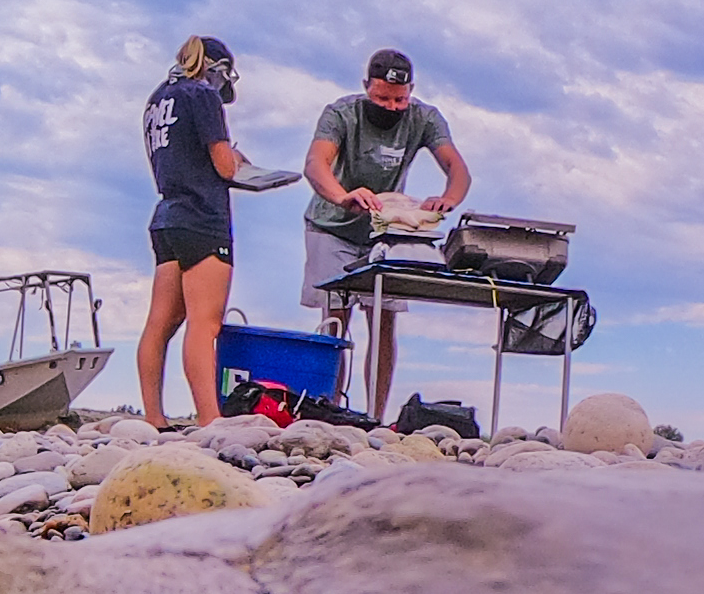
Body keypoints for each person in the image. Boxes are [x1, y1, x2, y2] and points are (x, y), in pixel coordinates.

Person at [134, 35, 299, 426]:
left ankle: (153, 417)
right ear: (219, 69)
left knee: (159, 324)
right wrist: (239, 159)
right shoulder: (202, 95)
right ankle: (210, 419)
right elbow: (224, 166)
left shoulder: (159, 97)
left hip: (167, 215)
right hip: (203, 217)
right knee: (204, 323)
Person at [300, 48, 472, 322]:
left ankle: (379, 368)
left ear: (411, 90)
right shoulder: (341, 113)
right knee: (336, 315)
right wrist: (344, 197)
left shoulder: (425, 118)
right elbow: (315, 163)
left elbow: (457, 168)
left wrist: (447, 199)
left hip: (386, 231)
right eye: (382, 98)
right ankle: (333, 365)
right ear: (366, 86)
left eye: (399, 99)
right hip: (332, 226)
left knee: (384, 316)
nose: (391, 106)